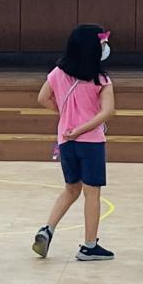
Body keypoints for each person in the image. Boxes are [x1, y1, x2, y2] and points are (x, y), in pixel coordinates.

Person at [32, 24, 115, 261]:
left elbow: (42, 98)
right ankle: (89, 246)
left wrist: (66, 114)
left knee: (71, 189)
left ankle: (47, 229)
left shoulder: (57, 73)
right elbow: (107, 112)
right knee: (92, 193)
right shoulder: (101, 79)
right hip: (91, 142)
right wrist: (82, 127)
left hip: (65, 140)